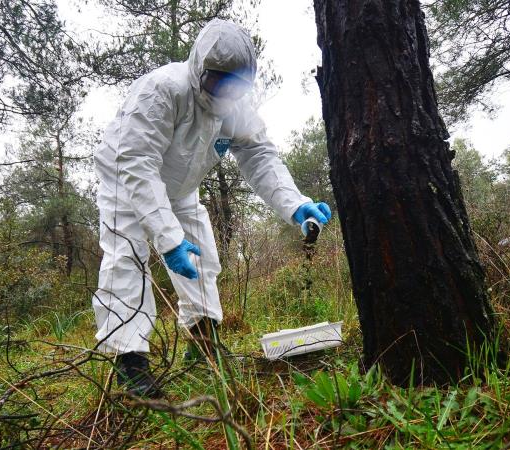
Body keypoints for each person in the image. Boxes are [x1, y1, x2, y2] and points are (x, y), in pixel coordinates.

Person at [91, 19, 332, 397]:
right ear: (200, 69)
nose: (227, 92)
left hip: (181, 190)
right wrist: (168, 239)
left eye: (237, 85)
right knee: (127, 259)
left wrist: (296, 204)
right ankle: (130, 361)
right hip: (126, 182)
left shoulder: (237, 108)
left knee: (203, 261)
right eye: (219, 81)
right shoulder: (162, 91)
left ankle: (203, 344)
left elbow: (260, 156)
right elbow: (136, 163)